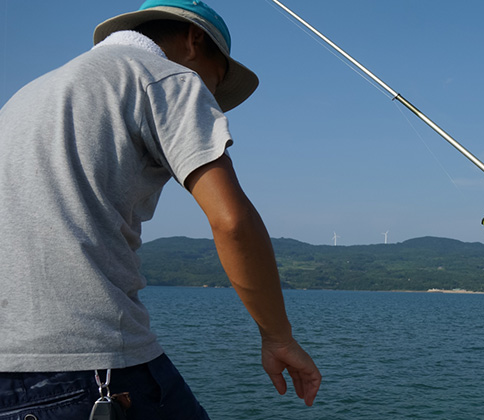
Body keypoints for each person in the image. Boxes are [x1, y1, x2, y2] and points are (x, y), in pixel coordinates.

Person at [0, 1, 320, 418]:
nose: (211, 96)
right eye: (216, 79)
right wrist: (278, 337)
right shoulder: (164, 76)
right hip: (92, 368)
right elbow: (231, 221)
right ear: (193, 40)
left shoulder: (25, 97)